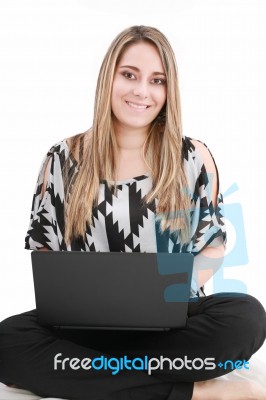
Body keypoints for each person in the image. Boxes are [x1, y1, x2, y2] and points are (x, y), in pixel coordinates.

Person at [0, 25, 265, 400]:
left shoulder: (193, 157)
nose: (142, 91)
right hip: (85, 325)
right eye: (129, 75)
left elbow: (213, 245)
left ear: (169, 90)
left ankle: (80, 368)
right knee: (7, 341)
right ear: (108, 77)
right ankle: (192, 391)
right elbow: (45, 248)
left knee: (246, 318)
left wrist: (165, 296)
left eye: (157, 80)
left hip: (174, 323)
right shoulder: (62, 157)